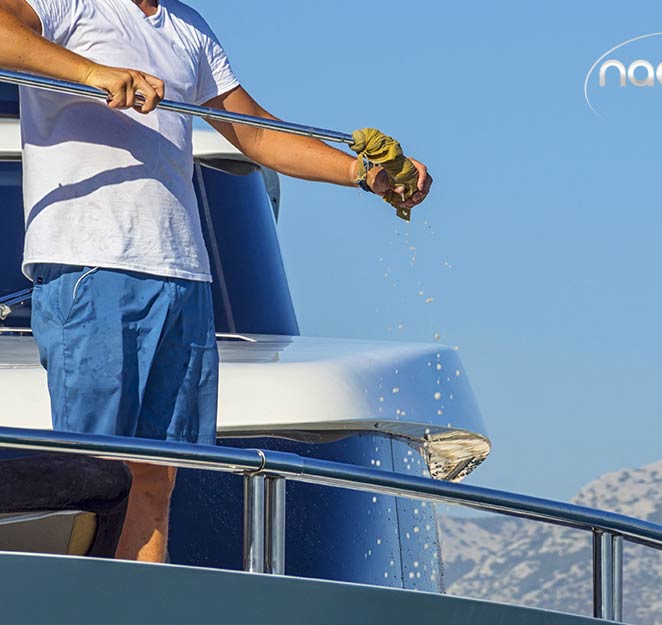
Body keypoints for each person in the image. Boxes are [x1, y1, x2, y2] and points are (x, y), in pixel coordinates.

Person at [0, 0, 432, 563]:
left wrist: (364, 174)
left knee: (157, 480)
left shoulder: (188, 26)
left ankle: (139, 610)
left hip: (183, 277)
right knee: (92, 473)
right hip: (89, 267)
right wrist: (95, 73)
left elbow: (256, 134)